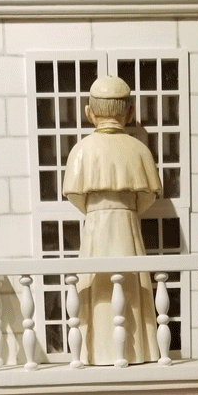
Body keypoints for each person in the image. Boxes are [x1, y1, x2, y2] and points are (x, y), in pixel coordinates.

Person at [62, 75, 162, 365]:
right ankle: (137, 351)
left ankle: (96, 352)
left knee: (99, 291)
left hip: (96, 227)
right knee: (131, 290)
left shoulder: (81, 151)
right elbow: (147, 197)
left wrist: (99, 210)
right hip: (128, 228)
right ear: (129, 113)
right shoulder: (139, 150)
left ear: (89, 112)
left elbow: (75, 195)